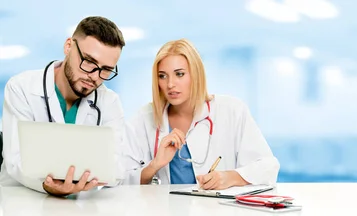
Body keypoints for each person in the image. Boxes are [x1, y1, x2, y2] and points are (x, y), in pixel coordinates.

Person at [122, 38, 280, 189]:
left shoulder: (232, 110)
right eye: (162, 76)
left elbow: (268, 167)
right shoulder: (144, 118)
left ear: (196, 74)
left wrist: (229, 177)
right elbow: (120, 180)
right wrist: (154, 165)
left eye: (180, 74)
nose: (170, 84)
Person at [0, 16, 127, 196]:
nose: (95, 76)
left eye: (106, 69)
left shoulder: (109, 102)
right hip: (22, 200)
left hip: (80, 205)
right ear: (68, 46)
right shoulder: (22, 88)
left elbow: (118, 167)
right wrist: (47, 184)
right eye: (89, 61)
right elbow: (15, 161)